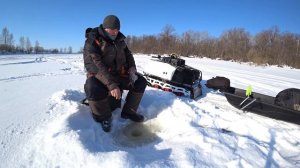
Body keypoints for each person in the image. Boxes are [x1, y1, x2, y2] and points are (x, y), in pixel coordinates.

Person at [83, 15, 147, 132]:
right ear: (104, 28)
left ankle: (129, 112)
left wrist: (132, 67)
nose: (115, 32)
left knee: (140, 81)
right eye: (112, 29)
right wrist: (112, 84)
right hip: (99, 76)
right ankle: (103, 117)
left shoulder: (120, 40)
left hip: (118, 75)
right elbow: (95, 65)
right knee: (91, 87)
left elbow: (129, 55)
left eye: (117, 29)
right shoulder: (92, 40)